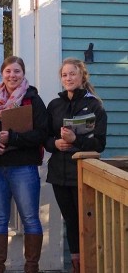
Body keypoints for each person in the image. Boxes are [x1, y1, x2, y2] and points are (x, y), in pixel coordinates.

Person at [0, 56, 48, 273]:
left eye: (16, 71)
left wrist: (13, 139)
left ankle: (31, 268)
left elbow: (42, 133)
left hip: (23, 167)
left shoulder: (32, 100)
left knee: (30, 219)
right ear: (2, 74)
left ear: (23, 74)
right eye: (8, 71)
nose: (12, 75)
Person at [45, 58, 107, 273]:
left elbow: (99, 143)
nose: (68, 78)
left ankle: (90, 266)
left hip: (82, 173)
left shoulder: (94, 105)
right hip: (58, 173)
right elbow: (44, 137)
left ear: (82, 76)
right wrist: (55, 143)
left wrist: (75, 141)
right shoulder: (55, 105)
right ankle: (76, 265)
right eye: (64, 75)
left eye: (72, 74)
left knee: (85, 222)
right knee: (70, 221)